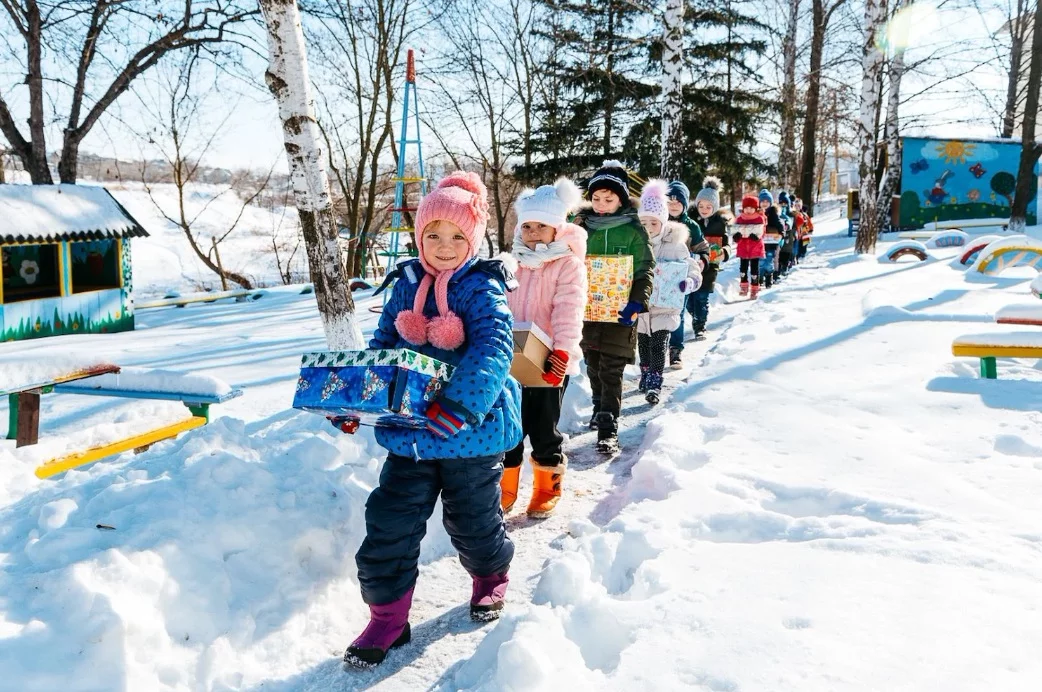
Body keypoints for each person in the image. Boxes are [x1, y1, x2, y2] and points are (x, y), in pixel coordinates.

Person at [338, 172, 522, 668]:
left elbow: (494, 348)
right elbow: (382, 347)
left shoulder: (481, 288)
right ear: (419, 236)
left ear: (474, 240)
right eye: (433, 234)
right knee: (388, 524)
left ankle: (490, 576)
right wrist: (356, 399)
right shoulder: (404, 286)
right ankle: (387, 618)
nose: (444, 246)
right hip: (411, 433)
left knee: (473, 524)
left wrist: (460, 404)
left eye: (457, 236)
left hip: (470, 433)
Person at [501, 179, 587, 518]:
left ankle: (547, 485)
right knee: (509, 424)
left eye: (541, 226)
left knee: (543, 425)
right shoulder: (511, 262)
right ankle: (506, 486)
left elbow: (569, 309)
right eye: (528, 226)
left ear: (557, 228)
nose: (533, 233)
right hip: (511, 358)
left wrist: (562, 352)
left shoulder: (567, 264)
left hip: (549, 361)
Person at [574, 160, 655, 455]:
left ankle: (609, 427)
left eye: (608, 199)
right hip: (587, 312)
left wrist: (637, 301)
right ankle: (599, 407)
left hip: (620, 313)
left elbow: (645, 269)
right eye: (596, 198)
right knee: (593, 365)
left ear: (621, 199)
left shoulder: (633, 230)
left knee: (611, 369)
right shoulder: (580, 228)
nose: (601, 205)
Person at [636, 180, 701, 403]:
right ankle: (645, 372)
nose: (648, 227)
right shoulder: (636, 244)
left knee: (658, 343)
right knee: (643, 344)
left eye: (653, 222)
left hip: (665, 305)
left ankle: (655, 381)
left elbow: (690, 266)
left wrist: (690, 282)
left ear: (663, 222)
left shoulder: (675, 244)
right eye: (643, 222)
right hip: (642, 306)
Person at [662, 179, 710, 368]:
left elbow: (703, 248)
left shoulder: (692, 226)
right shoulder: (658, 222)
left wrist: (702, 260)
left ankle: (675, 350)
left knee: (678, 313)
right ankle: (656, 349)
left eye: (678, 202)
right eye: (670, 201)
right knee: (658, 314)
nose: (674, 205)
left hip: (680, 277)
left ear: (684, 203)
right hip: (660, 275)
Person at [733, 194, 767, 298]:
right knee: (743, 269)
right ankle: (744, 287)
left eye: (751, 208)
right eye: (746, 208)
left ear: (756, 208)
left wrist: (757, 237)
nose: (748, 210)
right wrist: (736, 237)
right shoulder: (739, 219)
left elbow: (762, 232)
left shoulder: (759, 219)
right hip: (743, 248)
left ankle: (754, 288)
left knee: (754, 269)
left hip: (755, 248)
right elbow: (735, 231)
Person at [758, 189, 785, 288]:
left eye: (767, 201)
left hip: (771, 242)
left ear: (770, 203)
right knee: (760, 262)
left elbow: (779, 224)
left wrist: (781, 232)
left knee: (769, 261)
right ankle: (760, 278)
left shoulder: (773, 213)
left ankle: (769, 278)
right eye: (762, 201)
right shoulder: (757, 213)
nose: (765, 203)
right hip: (760, 243)